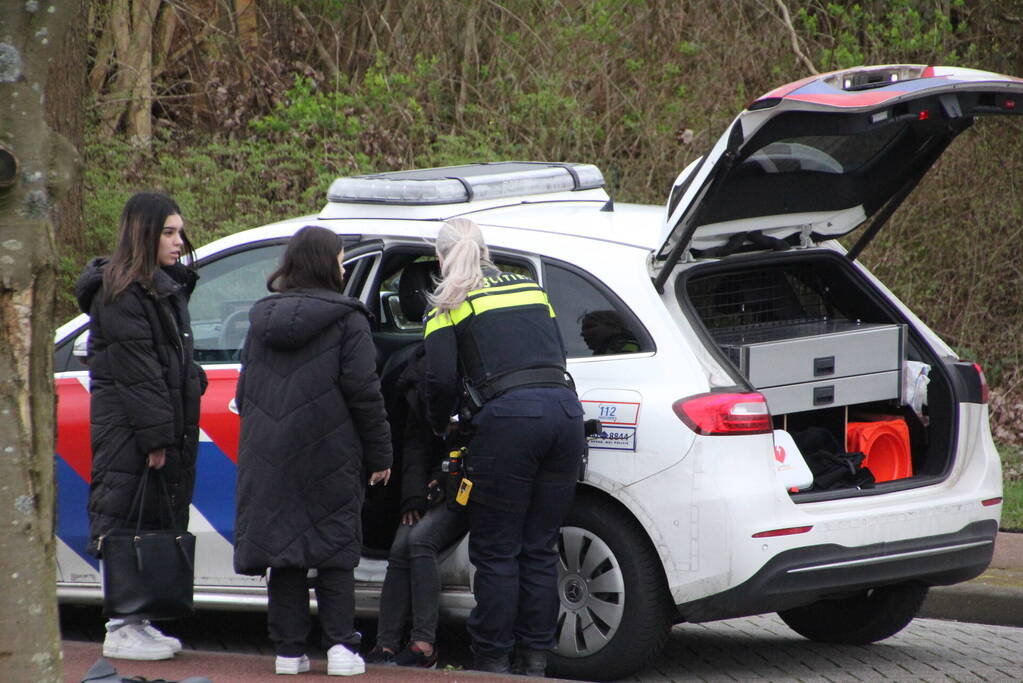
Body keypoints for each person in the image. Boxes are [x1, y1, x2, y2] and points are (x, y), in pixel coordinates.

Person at [422, 218, 585, 676]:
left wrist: (442, 426)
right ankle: (534, 660)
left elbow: (438, 378)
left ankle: (492, 661)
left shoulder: (448, 301)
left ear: (440, 258)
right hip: (565, 415)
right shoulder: (530, 287)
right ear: (486, 250)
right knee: (539, 547)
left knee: (496, 551)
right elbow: (556, 352)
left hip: (510, 423)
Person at [232, 225, 392, 677]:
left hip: (270, 454)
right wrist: (381, 455)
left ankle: (288, 652)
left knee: (284, 552)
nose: (344, 268)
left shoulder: (259, 321)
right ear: (327, 265)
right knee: (335, 549)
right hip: (332, 453)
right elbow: (365, 393)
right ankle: (341, 649)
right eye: (341, 259)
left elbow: (245, 394)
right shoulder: (349, 320)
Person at [74, 192, 207, 661]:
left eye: (179, 232)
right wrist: (156, 438)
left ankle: (139, 617)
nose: (178, 241)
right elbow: (138, 372)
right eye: (168, 232)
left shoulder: (160, 287)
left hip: (150, 425)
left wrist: (193, 381)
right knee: (125, 517)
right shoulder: (124, 291)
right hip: (129, 430)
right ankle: (120, 623)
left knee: (152, 517)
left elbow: (168, 361)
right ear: (144, 234)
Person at [366, 262, 469, 669]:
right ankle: (387, 644)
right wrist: (413, 495)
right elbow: (413, 441)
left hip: (465, 481)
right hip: (431, 483)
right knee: (401, 542)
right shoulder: (420, 369)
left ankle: (424, 644)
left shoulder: (472, 369)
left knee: (421, 540)